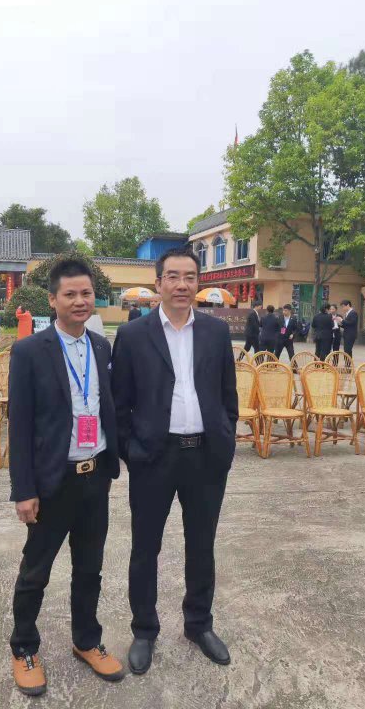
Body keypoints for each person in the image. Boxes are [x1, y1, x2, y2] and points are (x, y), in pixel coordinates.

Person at [111, 247, 238, 675]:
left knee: (202, 545)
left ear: (198, 282)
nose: (182, 285)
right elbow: (119, 403)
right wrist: (132, 451)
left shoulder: (216, 332)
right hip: (154, 457)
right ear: (159, 283)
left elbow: (228, 395)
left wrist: (225, 439)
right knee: (145, 547)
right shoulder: (133, 335)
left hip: (205, 456)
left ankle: (199, 624)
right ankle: (144, 630)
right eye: (173, 276)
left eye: (189, 277)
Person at [8, 259, 123, 696]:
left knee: (90, 569)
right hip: (53, 481)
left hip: (95, 477)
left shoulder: (102, 347)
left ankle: (86, 640)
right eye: (70, 294)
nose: (80, 301)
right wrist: (24, 490)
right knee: (35, 571)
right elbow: (19, 426)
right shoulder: (29, 351)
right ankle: (24, 648)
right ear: (53, 300)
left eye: (86, 293)